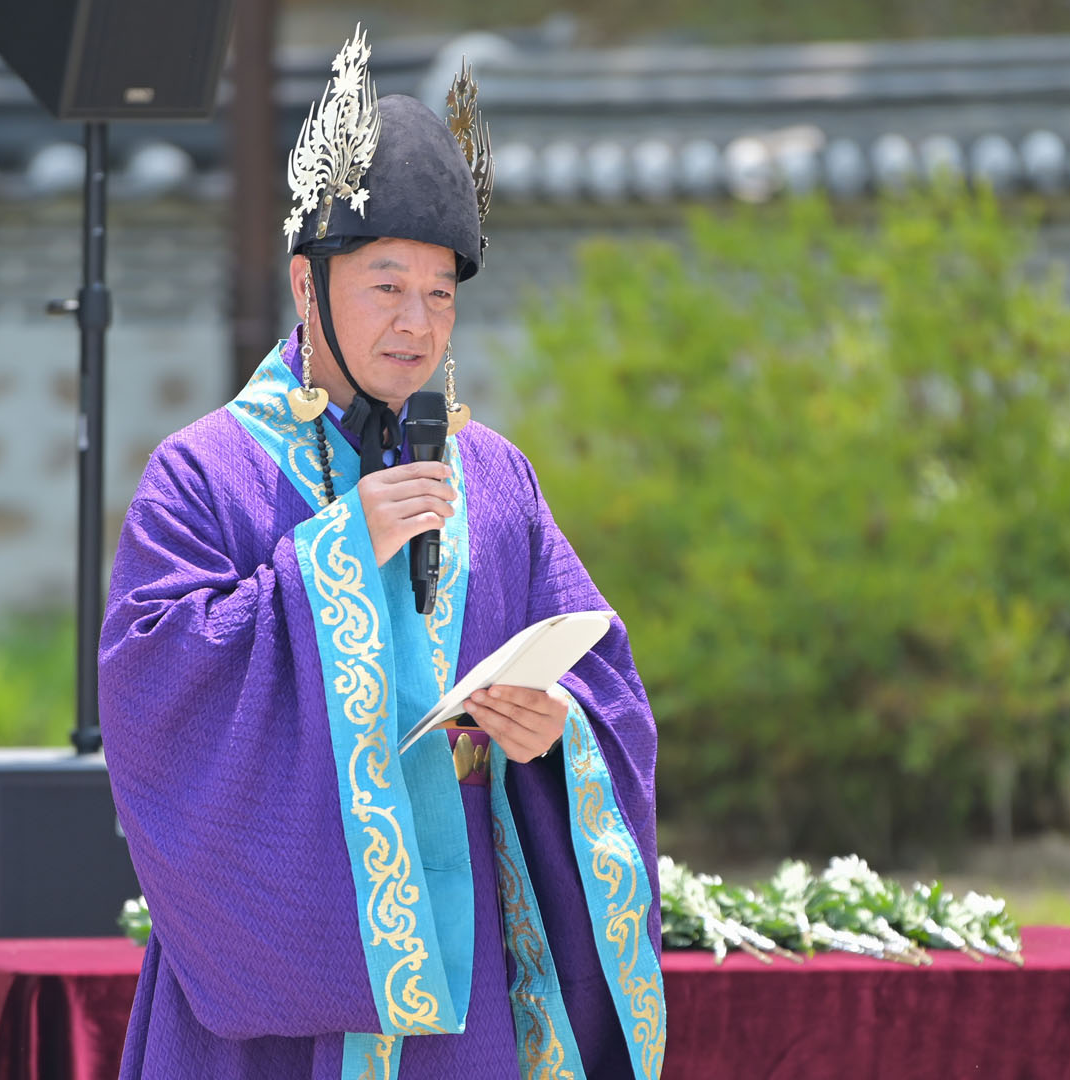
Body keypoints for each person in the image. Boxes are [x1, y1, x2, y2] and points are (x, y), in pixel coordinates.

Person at [99, 26, 664, 1080]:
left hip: (462, 964)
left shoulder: (494, 478)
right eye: (385, 285)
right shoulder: (205, 472)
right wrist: (333, 558)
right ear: (307, 285)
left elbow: (600, 677)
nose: (416, 322)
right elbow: (152, 689)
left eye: (441, 292)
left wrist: (555, 733)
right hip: (275, 964)